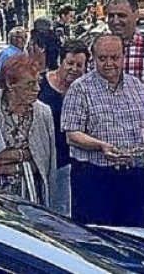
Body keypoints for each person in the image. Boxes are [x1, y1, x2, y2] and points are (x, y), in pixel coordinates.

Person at [62, 34, 144, 228]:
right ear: (93, 59)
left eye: (114, 58)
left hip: (135, 177)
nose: (109, 63)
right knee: (98, 239)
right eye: (102, 58)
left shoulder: (136, 85)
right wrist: (100, 146)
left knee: (136, 236)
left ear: (124, 57)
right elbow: (72, 135)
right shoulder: (80, 88)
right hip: (95, 178)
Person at [0, 55, 56, 205]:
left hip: (32, 191)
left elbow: (47, 162)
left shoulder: (43, 112)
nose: (37, 89)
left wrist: (13, 159)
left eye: (38, 82)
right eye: (30, 84)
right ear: (10, 83)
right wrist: (24, 156)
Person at [38, 40, 87, 216]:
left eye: (79, 65)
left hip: (73, 162)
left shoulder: (84, 90)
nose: (74, 69)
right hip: (45, 160)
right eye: (70, 63)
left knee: (65, 212)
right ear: (61, 61)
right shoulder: (40, 84)